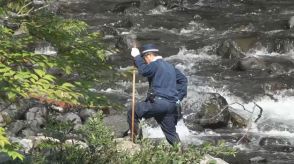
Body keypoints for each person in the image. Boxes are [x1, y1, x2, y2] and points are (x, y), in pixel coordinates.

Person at [126, 43, 188, 146]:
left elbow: (144, 71)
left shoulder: (155, 64)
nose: (145, 62)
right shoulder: (170, 67)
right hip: (172, 105)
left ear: (149, 55)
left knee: (133, 112)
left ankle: (135, 143)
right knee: (171, 134)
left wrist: (137, 57)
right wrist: (178, 97)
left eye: (144, 58)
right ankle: (183, 155)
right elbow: (183, 80)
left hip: (158, 103)